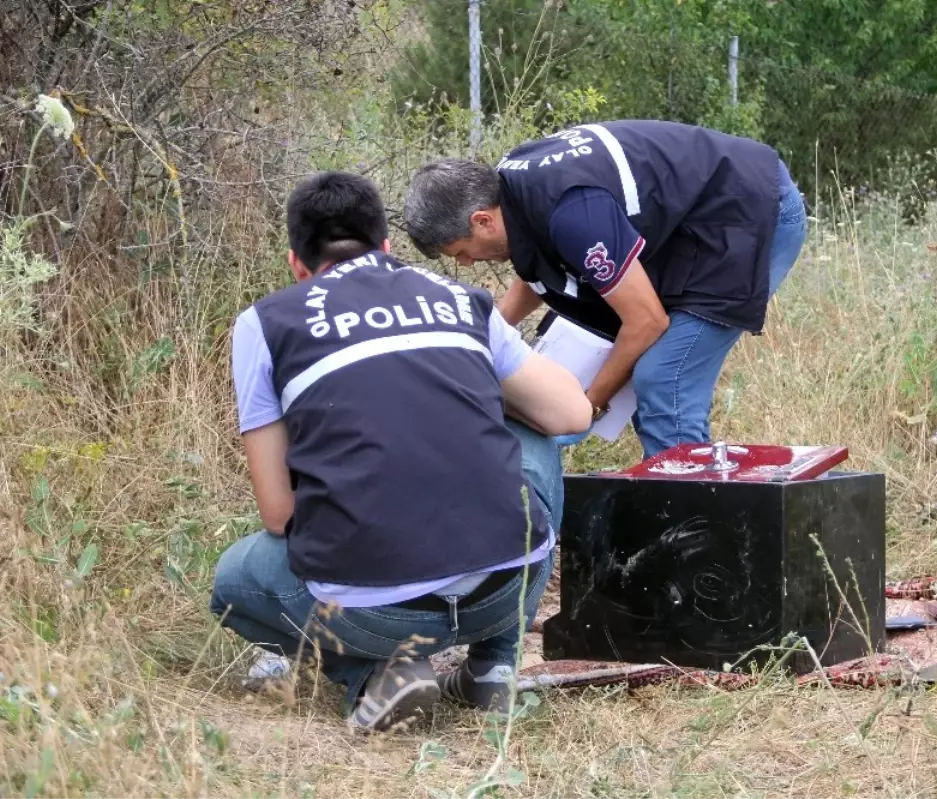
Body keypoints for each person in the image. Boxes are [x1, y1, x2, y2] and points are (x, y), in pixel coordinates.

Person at [209, 171, 592, 733]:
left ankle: (374, 672)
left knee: (233, 583)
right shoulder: (462, 300)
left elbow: (278, 512)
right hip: (504, 592)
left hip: (373, 611)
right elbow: (572, 415)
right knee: (536, 431)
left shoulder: (264, 324)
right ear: (387, 248)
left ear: (297, 264)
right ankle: (494, 666)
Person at [402, 120, 808, 460]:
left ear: (482, 221)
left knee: (664, 380)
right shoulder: (511, 186)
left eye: (460, 252)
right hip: (693, 227)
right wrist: (485, 334)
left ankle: (691, 534)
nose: (466, 264)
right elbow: (538, 264)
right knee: (645, 382)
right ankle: (672, 497)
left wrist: (590, 405)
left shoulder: (571, 212)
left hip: (748, 214)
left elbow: (646, 321)